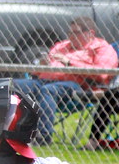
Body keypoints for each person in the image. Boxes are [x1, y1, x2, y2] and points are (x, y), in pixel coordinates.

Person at [12, 17, 117, 145]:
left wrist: (69, 63)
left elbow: (103, 74)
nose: (71, 36)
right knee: (12, 85)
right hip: (43, 80)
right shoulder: (62, 45)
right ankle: (10, 130)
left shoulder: (102, 48)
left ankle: (43, 137)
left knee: (48, 91)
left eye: (76, 32)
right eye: (70, 32)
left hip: (78, 86)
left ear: (90, 33)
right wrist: (41, 64)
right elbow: (35, 72)